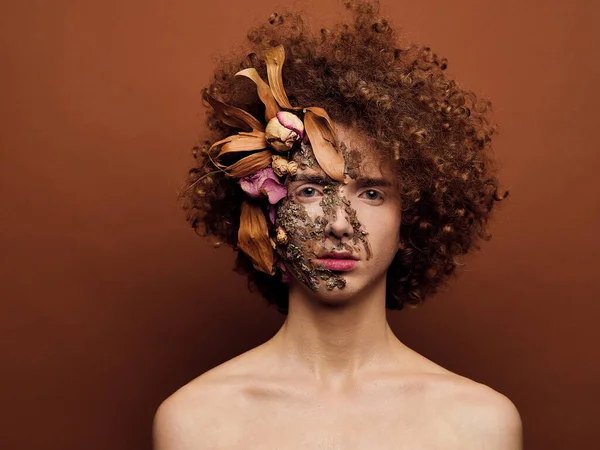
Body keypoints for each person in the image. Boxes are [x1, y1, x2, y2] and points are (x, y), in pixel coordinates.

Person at [153, 1, 523, 448]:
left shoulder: (478, 425)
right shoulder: (197, 423)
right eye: (309, 190)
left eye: (371, 193)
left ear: (414, 215)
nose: (340, 225)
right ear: (264, 206)